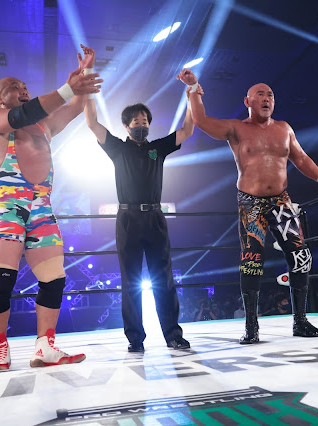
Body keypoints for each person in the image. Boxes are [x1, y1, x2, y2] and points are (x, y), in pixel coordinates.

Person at [177, 69, 318, 343]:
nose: (266, 98)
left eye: (270, 95)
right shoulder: (236, 129)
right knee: (251, 262)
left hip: (282, 201)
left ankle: (300, 321)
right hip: (251, 203)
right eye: (260, 94)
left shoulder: (284, 128)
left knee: (300, 256)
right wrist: (193, 88)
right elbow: (201, 120)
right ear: (247, 101)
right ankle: (251, 327)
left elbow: (300, 158)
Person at [0, 44, 102, 371]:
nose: (22, 90)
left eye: (25, 87)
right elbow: (23, 114)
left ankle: (45, 346)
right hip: (8, 204)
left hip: (41, 206)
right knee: (1, 280)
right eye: (14, 87)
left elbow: (76, 104)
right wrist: (67, 88)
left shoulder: (44, 126)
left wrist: (86, 73)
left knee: (54, 278)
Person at [84, 51, 194, 352]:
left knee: (164, 278)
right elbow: (92, 122)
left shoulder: (158, 147)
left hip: (155, 217)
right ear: (127, 126)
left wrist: (192, 92)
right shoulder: (117, 148)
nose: (141, 124)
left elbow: (187, 129)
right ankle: (135, 339)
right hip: (128, 219)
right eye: (136, 121)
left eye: (145, 120)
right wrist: (88, 82)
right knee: (130, 280)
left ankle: (173, 335)